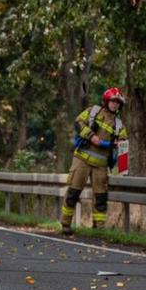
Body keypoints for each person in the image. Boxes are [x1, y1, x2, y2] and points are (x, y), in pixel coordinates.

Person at [63, 87, 126, 235]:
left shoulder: (118, 124)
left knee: (101, 197)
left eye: (118, 102)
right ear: (106, 101)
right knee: (73, 192)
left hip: (101, 166)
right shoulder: (93, 111)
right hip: (81, 160)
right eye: (113, 101)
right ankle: (65, 224)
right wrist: (92, 136)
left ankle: (99, 228)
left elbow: (124, 142)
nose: (115, 104)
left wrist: (120, 143)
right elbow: (78, 122)